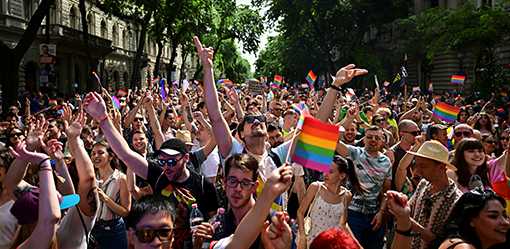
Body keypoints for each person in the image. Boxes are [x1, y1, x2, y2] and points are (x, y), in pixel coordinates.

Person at [83, 91, 219, 249]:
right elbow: (125, 154)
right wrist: (103, 119)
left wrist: (209, 228)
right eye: (162, 161)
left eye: (172, 161)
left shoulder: (203, 185)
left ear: (186, 159)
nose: (167, 166)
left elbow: (215, 218)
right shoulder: (158, 174)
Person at [193, 153, 261, 249]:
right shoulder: (217, 225)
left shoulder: (266, 222)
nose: (238, 188)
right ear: (224, 183)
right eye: (233, 181)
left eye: (245, 183)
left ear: (254, 187)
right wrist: (199, 244)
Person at [405, 140, 463, 249]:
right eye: (416, 165)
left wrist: (407, 220)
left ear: (441, 167)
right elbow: (410, 207)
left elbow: (442, 242)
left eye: (423, 166)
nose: (417, 171)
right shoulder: (423, 184)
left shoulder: (457, 201)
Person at [296, 155, 359, 248]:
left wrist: (356, 244)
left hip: (329, 245)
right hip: (310, 241)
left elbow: (343, 224)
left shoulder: (346, 196)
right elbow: (300, 212)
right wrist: (302, 237)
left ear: (342, 175)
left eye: (330, 172)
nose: (325, 174)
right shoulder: (316, 187)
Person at [91, 140, 132, 249]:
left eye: (100, 153)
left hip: (114, 231)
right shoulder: (91, 178)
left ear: (110, 157)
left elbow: (125, 212)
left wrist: (105, 199)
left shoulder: (121, 179)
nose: (96, 156)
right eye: (93, 153)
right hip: (93, 228)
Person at [437, 190, 510, 249]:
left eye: (505, 216)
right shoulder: (463, 247)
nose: (505, 222)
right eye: (493, 216)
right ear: (471, 220)